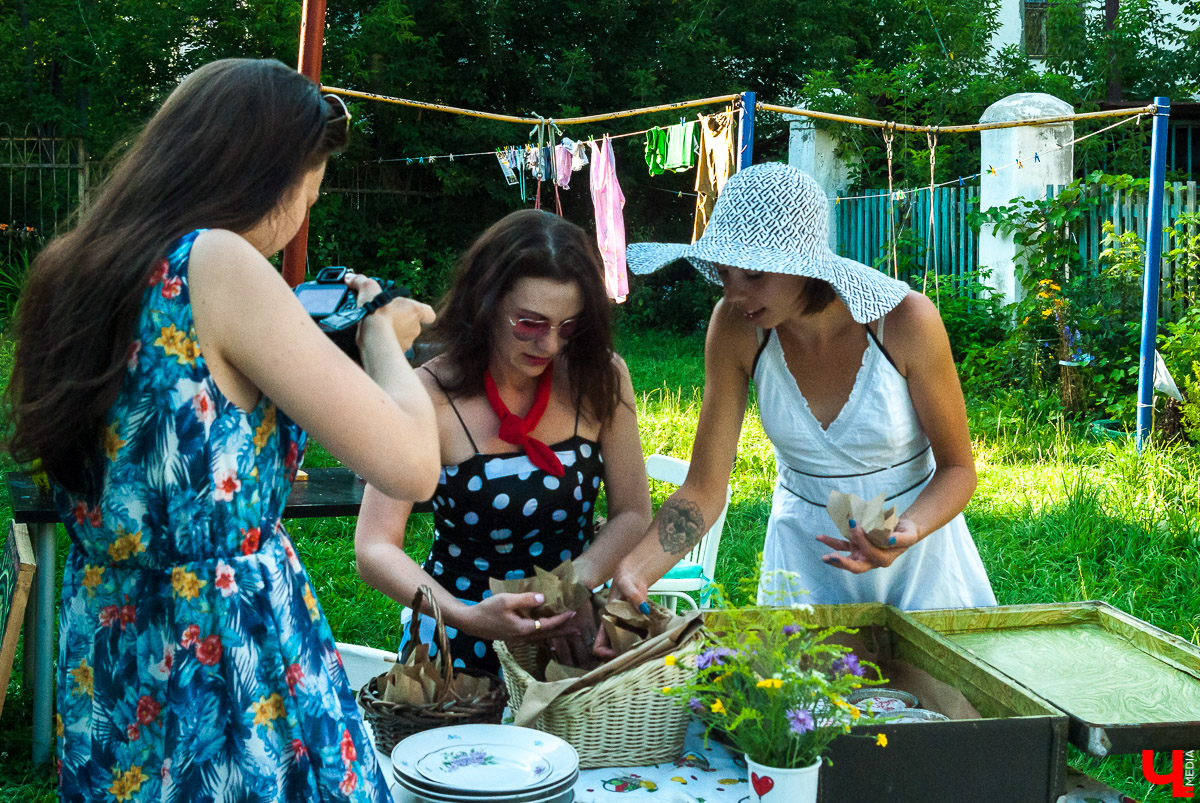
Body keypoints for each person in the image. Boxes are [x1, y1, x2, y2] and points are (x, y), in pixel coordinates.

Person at [7, 59, 440, 801]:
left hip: (113, 646)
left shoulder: (73, 269)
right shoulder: (218, 260)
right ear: (269, 177)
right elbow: (411, 464)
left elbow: (165, 435)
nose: (301, 214)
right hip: (222, 651)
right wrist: (380, 340)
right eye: (309, 191)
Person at [606, 162, 996, 621]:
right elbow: (704, 488)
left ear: (806, 267)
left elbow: (958, 470)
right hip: (803, 564)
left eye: (753, 275)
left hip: (920, 563)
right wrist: (636, 570)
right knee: (797, 691)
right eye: (723, 272)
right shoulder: (734, 329)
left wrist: (908, 530)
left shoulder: (907, 322)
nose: (733, 293)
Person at [354, 209, 651, 675]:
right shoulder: (429, 395)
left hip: (565, 633)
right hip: (457, 639)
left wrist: (575, 583)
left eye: (568, 326)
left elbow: (633, 512)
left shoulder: (600, 376)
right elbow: (374, 547)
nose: (550, 345)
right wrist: (463, 615)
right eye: (530, 323)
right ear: (487, 303)